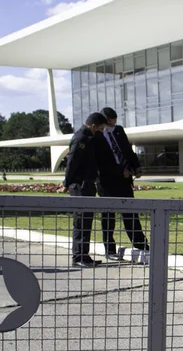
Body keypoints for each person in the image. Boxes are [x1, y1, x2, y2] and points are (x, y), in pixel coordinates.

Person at [96, 107, 149, 260]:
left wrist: (136, 167)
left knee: (131, 213)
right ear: (103, 122)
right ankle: (110, 250)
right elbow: (102, 162)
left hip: (124, 180)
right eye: (110, 124)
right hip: (107, 181)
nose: (113, 126)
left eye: (114, 123)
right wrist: (120, 171)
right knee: (109, 217)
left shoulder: (119, 131)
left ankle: (142, 246)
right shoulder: (97, 136)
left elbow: (127, 151)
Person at [63, 112, 107, 268]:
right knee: (81, 221)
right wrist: (66, 182)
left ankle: (84, 255)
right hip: (79, 185)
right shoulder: (81, 138)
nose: (100, 132)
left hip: (87, 184)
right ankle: (78, 257)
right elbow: (72, 161)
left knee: (87, 221)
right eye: (99, 129)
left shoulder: (88, 138)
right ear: (93, 126)